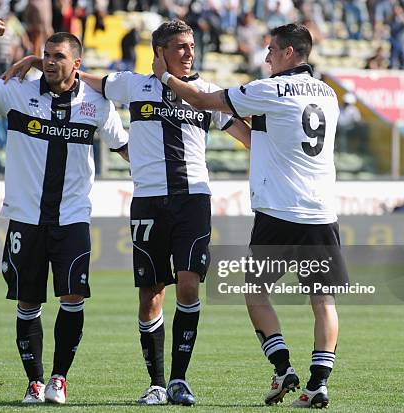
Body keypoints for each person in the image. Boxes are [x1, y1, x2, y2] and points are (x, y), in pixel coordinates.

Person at [3, 19, 251, 406]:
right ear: (160, 52)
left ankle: (179, 380)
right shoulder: (132, 85)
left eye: (191, 46)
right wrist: (41, 62)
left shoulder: (204, 93)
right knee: (151, 293)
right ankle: (155, 382)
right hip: (149, 200)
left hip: (193, 198)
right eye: (181, 47)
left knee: (188, 284)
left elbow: (246, 135)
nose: (190, 53)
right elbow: (80, 77)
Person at [152, 23, 348, 408]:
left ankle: (282, 367)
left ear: (290, 52)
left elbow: (204, 99)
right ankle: (318, 384)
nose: (267, 57)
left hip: (279, 211)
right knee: (324, 302)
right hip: (323, 211)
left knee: (255, 291)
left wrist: (165, 76)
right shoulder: (328, 94)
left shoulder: (269, 89)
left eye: (272, 50)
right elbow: (273, 131)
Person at [0, 18, 129, 404]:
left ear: (77, 62)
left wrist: (154, 177)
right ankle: (34, 382)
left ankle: (59, 379)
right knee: (28, 302)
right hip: (25, 216)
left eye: (58, 57)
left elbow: (123, 146)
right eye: (46, 56)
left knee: (72, 298)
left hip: (72, 218)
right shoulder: (17, 92)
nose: (50, 62)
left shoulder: (96, 102)